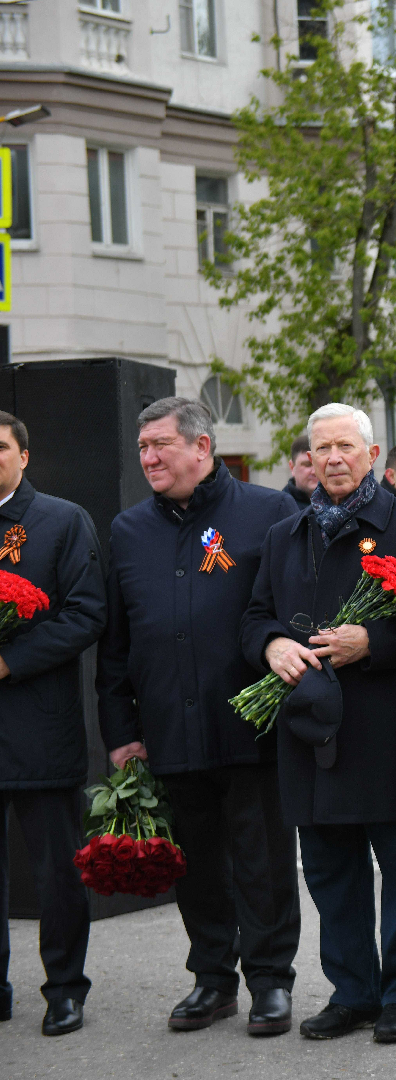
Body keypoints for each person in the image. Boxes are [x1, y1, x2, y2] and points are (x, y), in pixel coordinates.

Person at [240, 402, 396, 1045]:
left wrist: (374, 643)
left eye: (345, 448)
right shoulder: (285, 534)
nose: (332, 459)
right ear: (307, 458)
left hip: (380, 728)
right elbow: (254, 618)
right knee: (331, 872)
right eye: (321, 448)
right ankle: (353, 990)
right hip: (308, 731)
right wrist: (272, 645)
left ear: (371, 456)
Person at [97, 397, 301, 1037]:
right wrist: (123, 731)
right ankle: (213, 981)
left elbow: (289, 614)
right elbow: (115, 645)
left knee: (262, 862)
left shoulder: (268, 512)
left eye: (160, 444)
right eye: (142, 448)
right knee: (198, 867)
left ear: (202, 447)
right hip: (168, 732)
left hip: (249, 729)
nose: (149, 457)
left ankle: (270, 981)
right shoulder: (129, 530)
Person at [0, 411, 105, 1037]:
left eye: (0, 447)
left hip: (39, 725)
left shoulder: (61, 521)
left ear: (24, 456)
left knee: (56, 873)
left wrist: (10, 661)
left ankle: (65, 988)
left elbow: (87, 613)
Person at [283, 434, 318, 508]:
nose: (314, 472)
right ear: (292, 467)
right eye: (307, 465)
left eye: (318, 465)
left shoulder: (343, 503)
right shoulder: (281, 508)